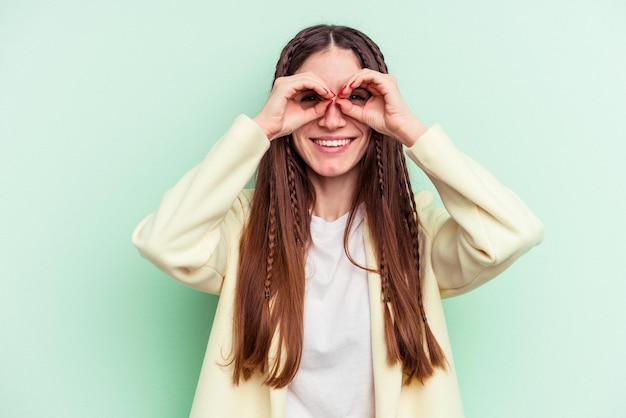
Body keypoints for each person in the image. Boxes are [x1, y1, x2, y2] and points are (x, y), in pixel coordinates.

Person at [132, 24, 543, 418]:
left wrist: (410, 131)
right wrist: (262, 128)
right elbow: (164, 241)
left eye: (356, 98)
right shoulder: (244, 227)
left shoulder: (416, 234)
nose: (332, 120)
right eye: (310, 98)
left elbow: (512, 232)